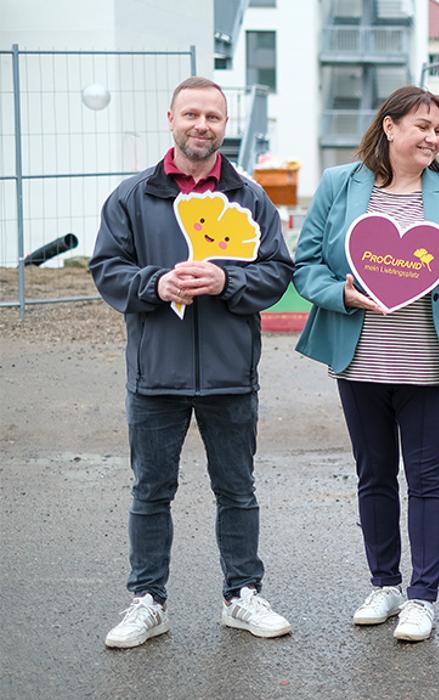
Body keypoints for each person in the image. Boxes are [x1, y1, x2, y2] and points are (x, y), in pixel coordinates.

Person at [91, 76, 295, 649]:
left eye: (213, 117)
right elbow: (107, 270)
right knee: (151, 492)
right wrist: (158, 283)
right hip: (156, 376)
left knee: (238, 491)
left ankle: (242, 596)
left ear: (224, 125)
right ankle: (148, 601)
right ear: (171, 119)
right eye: (191, 115)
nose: (202, 125)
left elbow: (279, 272)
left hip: (231, 375)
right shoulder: (133, 197)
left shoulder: (249, 198)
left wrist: (227, 278)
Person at [292, 86, 439, 642]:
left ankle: (423, 598)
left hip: (427, 360)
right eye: (422, 126)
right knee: (373, 474)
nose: (431, 138)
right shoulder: (340, 184)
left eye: (438, 130)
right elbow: (305, 264)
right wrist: (343, 295)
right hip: (360, 360)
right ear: (390, 127)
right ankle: (385, 585)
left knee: (427, 478)